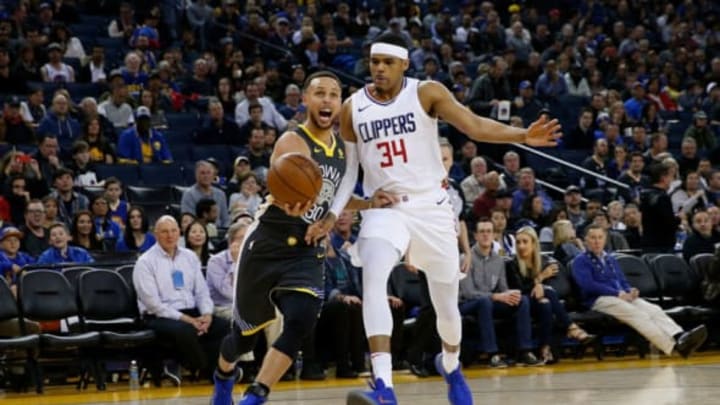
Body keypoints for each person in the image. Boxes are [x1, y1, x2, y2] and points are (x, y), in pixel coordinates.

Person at [315, 33, 561, 405]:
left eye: (387, 62)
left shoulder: (426, 92)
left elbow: (474, 125)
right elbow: (350, 172)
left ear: (404, 65)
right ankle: (384, 387)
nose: (378, 68)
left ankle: (450, 364)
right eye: (374, 61)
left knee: (447, 305)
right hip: (387, 209)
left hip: (431, 207)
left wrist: (523, 134)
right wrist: (336, 213)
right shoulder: (352, 108)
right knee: (375, 274)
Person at [210, 71, 367, 405]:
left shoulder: (342, 150)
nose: (327, 100)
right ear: (306, 100)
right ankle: (223, 376)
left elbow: (332, 195)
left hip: (307, 248)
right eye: (320, 93)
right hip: (269, 239)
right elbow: (294, 182)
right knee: (243, 340)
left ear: (339, 104)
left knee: (302, 317)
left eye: (334, 94)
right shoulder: (291, 141)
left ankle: (256, 396)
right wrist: (301, 203)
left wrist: (369, 202)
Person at [572, 224, 708, 358]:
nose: (597, 241)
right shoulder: (580, 261)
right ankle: (673, 347)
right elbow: (588, 285)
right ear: (586, 240)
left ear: (605, 239)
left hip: (620, 296)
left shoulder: (610, 258)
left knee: (653, 309)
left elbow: (621, 280)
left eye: (600, 237)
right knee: (636, 313)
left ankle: (679, 335)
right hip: (598, 299)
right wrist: (618, 293)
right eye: (593, 238)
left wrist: (629, 290)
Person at [134, 216, 229, 381]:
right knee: (185, 330)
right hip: (159, 316)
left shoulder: (190, 257)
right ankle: (203, 367)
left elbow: (202, 291)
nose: (169, 235)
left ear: (179, 233)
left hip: (191, 311)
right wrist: (188, 320)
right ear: (156, 234)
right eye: (164, 231)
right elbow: (153, 304)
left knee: (223, 326)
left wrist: (206, 314)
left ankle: (213, 370)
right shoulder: (145, 262)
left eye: (173, 231)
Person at [506, 226, 594, 364]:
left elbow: (559, 286)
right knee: (547, 292)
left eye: (525, 241)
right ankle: (571, 327)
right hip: (520, 304)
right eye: (518, 242)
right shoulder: (512, 264)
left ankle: (545, 349)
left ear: (534, 243)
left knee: (546, 303)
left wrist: (540, 284)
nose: (521, 246)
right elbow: (519, 290)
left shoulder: (544, 261)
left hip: (537, 302)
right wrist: (540, 279)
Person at [460, 219, 540, 368]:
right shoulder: (466, 258)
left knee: (521, 299)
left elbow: (502, 287)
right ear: (475, 236)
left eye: (489, 232)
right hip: (466, 304)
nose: (485, 235)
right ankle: (492, 354)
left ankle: (525, 351)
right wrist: (495, 296)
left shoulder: (499, 260)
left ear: (494, 235)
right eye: (482, 232)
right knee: (485, 302)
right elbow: (468, 293)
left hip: (489, 302)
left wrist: (510, 294)